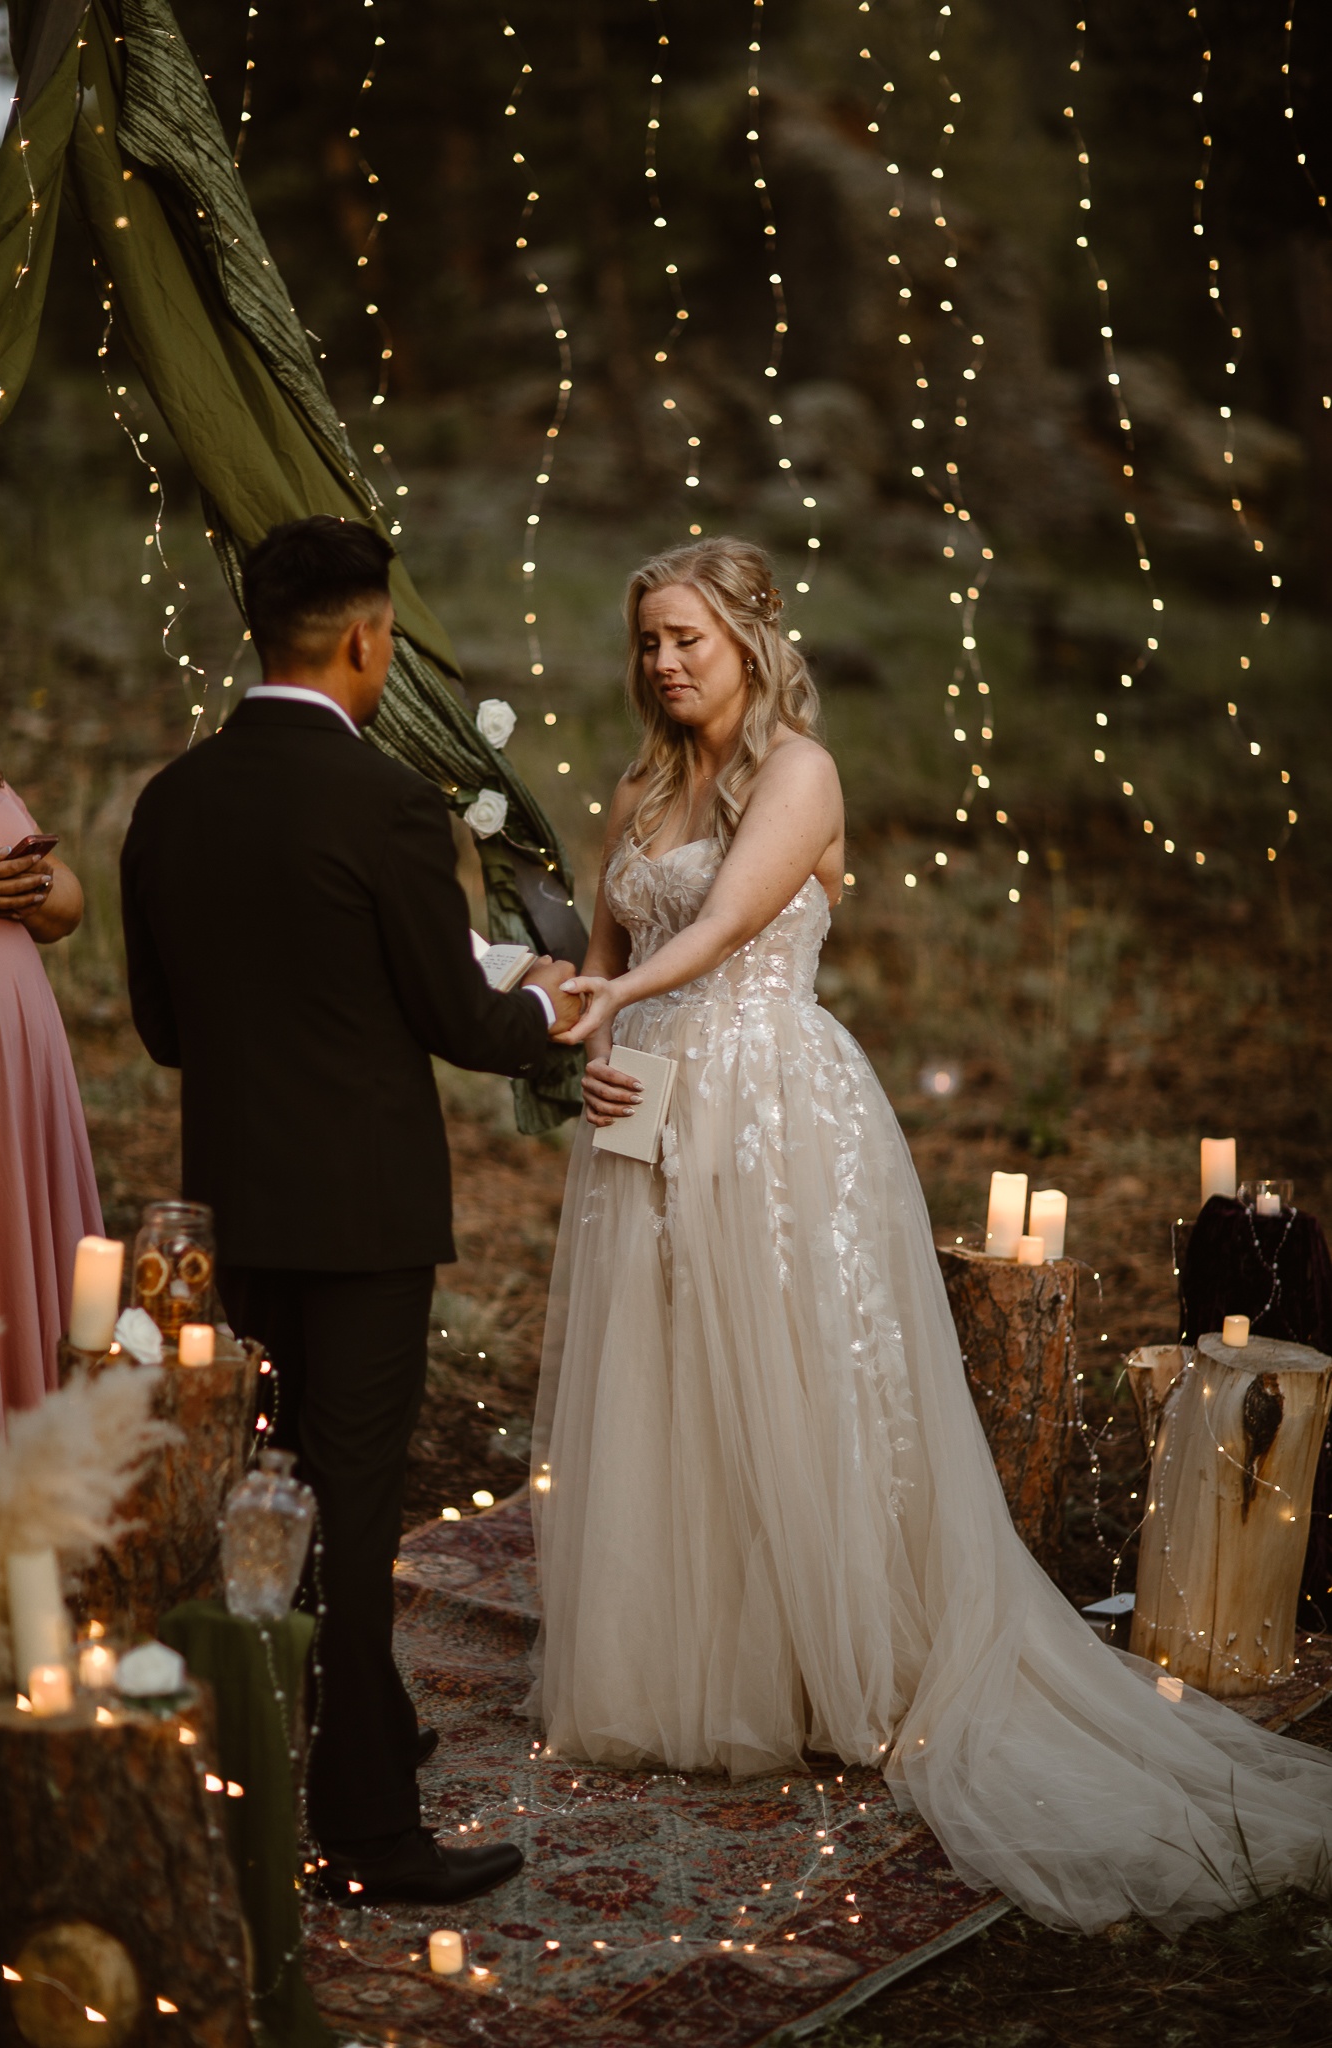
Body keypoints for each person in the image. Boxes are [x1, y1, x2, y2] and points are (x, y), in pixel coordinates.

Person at [528, 534, 1332, 1934]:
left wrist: (620, 998)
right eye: (648, 641)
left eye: (688, 640)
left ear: (751, 641)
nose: (663, 663)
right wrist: (575, 1017)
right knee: (669, 1382)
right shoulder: (643, 786)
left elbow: (722, 926)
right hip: (651, 1117)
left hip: (778, 1112)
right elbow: (612, 949)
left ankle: (842, 1660)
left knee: (798, 1378)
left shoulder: (801, 774)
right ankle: (703, 1668)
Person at [121, 516, 580, 1906]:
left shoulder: (170, 801)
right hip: (367, 1219)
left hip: (236, 1215)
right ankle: (372, 1830)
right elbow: (457, 1017)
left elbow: (160, 1030)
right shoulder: (386, 805)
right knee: (356, 1504)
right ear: (367, 639)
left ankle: (317, 1738)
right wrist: (543, 1008)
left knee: (267, 1498)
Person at [0, 726, 101, 1457]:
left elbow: (68, 907)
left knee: (9, 1240)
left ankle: (27, 1475)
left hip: (13, 1077)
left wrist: (31, 884)